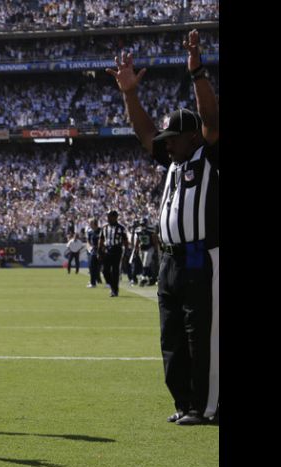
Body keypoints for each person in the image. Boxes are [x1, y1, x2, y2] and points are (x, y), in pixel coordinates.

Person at [106, 29, 218, 425]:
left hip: (202, 256)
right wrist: (130, 93)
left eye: (175, 138)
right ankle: (184, 403)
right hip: (170, 262)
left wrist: (198, 72)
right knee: (171, 336)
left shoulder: (208, 156)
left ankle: (207, 407)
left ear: (193, 137)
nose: (166, 144)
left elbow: (211, 119)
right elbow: (144, 133)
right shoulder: (172, 162)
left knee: (201, 336)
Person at [98, 210, 128, 297]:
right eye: (107, 216)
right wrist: (99, 251)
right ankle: (112, 286)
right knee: (105, 270)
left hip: (117, 250)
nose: (108, 218)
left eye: (110, 216)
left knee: (115, 271)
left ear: (115, 217)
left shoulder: (121, 228)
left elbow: (125, 241)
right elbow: (101, 240)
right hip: (107, 250)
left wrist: (126, 252)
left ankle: (114, 290)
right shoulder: (105, 228)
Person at [85, 219, 103, 288]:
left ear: (94, 223)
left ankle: (109, 282)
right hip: (93, 251)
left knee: (103, 267)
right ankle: (93, 283)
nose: (89, 224)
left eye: (90, 223)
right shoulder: (90, 232)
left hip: (101, 251)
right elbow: (88, 241)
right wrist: (89, 248)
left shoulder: (101, 231)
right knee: (91, 267)